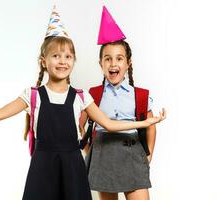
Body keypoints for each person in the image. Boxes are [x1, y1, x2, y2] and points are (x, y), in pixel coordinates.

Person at [0, 5, 166, 200]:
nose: (62, 61)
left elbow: (109, 124)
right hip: (43, 168)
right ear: (44, 61)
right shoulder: (32, 95)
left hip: (73, 169)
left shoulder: (81, 96)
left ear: (74, 61)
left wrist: (147, 123)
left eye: (68, 56)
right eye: (56, 55)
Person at [80, 6, 161, 200]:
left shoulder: (140, 95)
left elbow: (150, 127)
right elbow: (79, 123)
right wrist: (88, 150)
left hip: (132, 154)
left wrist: (148, 155)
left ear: (128, 63)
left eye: (119, 58)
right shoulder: (93, 95)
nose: (113, 64)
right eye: (107, 59)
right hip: (103, 155)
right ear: (101, 64)